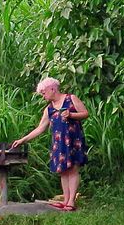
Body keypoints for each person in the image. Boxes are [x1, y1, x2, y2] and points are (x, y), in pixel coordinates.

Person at [11, 77, 89, 211]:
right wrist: (23, 140)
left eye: (43, 92)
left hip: (73, 140)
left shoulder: (71, 99)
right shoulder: (49, 109)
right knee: (63, 170)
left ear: (53, 89)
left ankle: (71, 202)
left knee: (74, 169)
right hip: (59, 143)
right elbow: (40, 128)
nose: (43, 95)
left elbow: (85, 113)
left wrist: (71, 115)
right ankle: (65, 200)